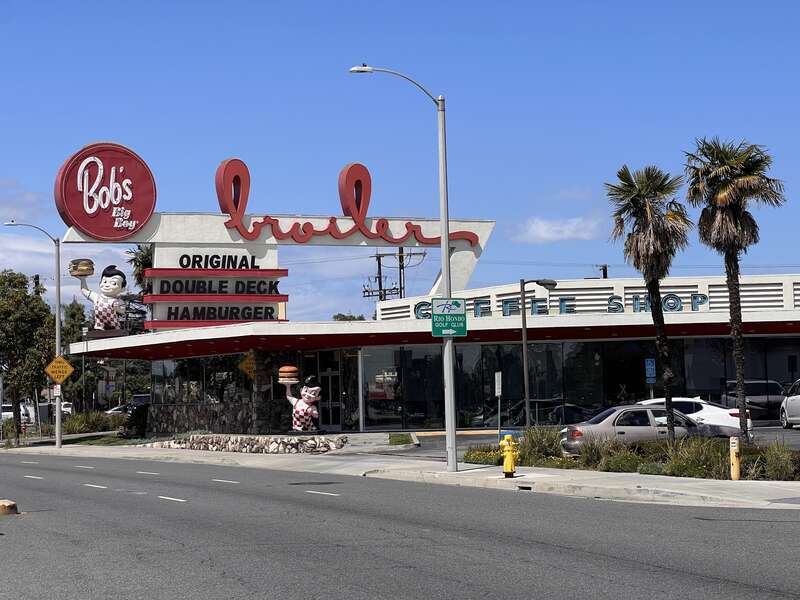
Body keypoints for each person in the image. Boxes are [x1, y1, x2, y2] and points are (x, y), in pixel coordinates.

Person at [79, 265, 127, 330]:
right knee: (98, 328)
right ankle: (99, 327)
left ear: (122, 289)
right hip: (99, 323)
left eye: (113, 283)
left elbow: (122, 310)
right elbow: (85, 291)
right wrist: (83, 279)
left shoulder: (118, 301)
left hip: (113, 323)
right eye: (104, 281)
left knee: (115, 329)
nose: (107, 285)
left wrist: (117, 308)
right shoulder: (96, 297)